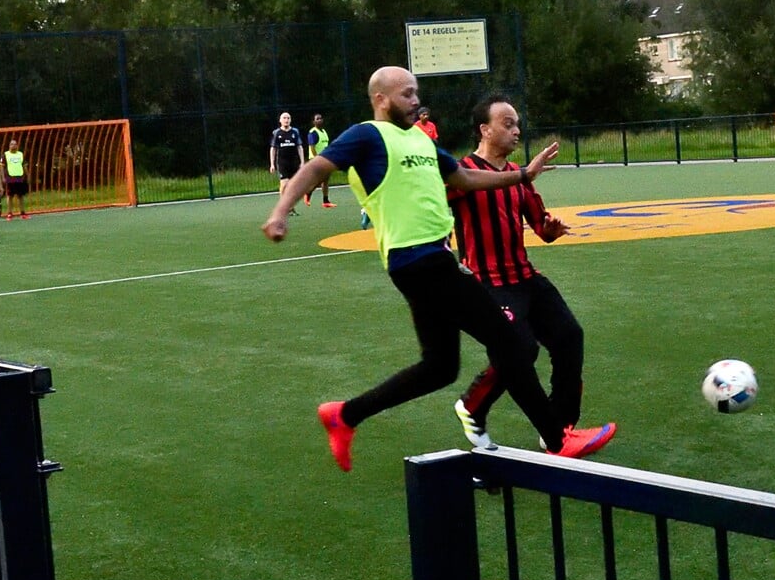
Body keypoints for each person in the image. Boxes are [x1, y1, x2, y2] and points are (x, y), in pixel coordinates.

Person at [262, 67, 615, 470]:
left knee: (440, 367)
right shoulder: (367, 135)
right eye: (407, 94)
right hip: (417, 260)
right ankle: (557, 439)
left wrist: (522, 175)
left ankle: (345, 415)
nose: (416, 101)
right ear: (381, 99)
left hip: (431, 260)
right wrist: (280, 212)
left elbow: (463, 177)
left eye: (416, 93)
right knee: (512, 343)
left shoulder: (421, 140)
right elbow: (314, 169)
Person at [449, 95, 593, 452]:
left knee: (569, 336)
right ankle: (472, 405)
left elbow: (540, 227)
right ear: (485, 129)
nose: (516, 130)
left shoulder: (518, 178)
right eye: (507, 123)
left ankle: (558, 429)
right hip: (487, 283)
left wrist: (551, 228)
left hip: (525, 277)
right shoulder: (461, 172)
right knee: (520, 349)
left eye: (517, 124)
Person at [269, 112, 305, 211]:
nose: (286, 120)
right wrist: (272, 164)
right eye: (284, 118)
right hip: (282, 162)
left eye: (288, 118)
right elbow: (273, 149)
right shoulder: (277, 133)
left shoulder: (295, 132)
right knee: (284, 184)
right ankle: (283, 207)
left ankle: (291, 207)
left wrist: (302, 162)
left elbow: (299, 147)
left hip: (294, 162)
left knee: (293, 185)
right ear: (280, 120)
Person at [304, 114, 335, 208]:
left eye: (321, 118)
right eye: (317, 119)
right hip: (316, 159)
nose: (319, 120)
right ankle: (308, 193)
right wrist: (317, 158)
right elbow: (312, 147)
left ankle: (326, 201)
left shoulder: (324, 132)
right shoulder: (313, 132)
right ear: (313, 122)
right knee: (319, 180)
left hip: (326, 159)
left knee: (325, 180)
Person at [2, 137, 29, 220]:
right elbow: (2, 167)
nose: (14, 145)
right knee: (10, 196)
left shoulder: (20, 154)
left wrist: (27, 175)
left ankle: (22, 213)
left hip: (20, 177)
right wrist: (3, 177)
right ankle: (9, 213)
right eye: (12, 144)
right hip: (10, 177)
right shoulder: (5, 154)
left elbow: (24, 165)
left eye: (15, 144)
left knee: (20, 196)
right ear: (9, 146)